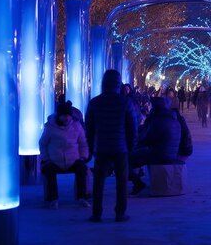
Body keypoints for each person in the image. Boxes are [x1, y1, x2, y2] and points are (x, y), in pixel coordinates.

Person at [85, 70, 138, 222]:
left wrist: (91, 146)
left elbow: (89, 128)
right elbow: (133, 127)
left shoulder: (95, 103)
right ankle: (120, 213)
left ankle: (97, 213)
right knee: (121, 182)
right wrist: (130, 146)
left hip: (101, 147)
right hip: (120, 147)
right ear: (118, 83)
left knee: (98, 182)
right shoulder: (125, 102)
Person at [39, 101, 90, 210]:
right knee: (49, 170)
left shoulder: (76, 126)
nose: (66, 118)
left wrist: (83, 157)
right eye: (63, 115)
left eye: (68, 115)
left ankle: (82, 196)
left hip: (73, 159)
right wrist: (46, 158)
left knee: (82, 168)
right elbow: (43, 143)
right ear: (59, 116)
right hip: (55, 160)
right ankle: (53, 199)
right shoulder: (50, 127)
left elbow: (83, 143)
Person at [129, 96, 182, 194]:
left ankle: (137, 183)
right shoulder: (173, 118)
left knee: (126, 160)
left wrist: (137, 143)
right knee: (137, 153)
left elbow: (148, 139)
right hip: (170, 153)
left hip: (160, 154)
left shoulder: (159, 120)